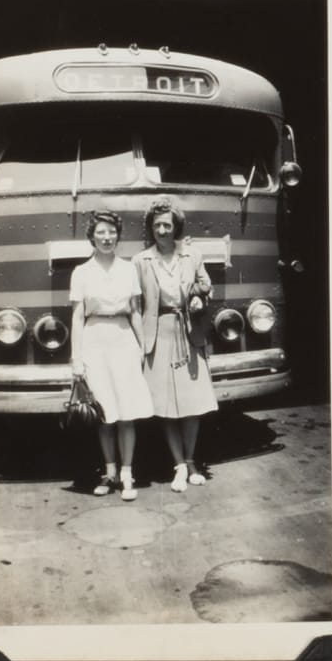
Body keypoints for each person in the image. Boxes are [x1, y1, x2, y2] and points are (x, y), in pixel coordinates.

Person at [68, 210, 153, 500]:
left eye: (112, 232)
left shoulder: (128, 269)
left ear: (118, 236)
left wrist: (142, 347)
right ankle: (109, 472)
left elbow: (135, 311)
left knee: (127, 413)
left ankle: (127, 474)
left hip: (123, 340)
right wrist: (76, 359)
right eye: (101, 233)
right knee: (104, 414)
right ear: (92, 237)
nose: (107, 238)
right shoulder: (81, 272)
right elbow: (77, 316)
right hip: (94, 341)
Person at [135, 200, 219, 493]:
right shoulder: (141, 260)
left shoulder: (192, 255)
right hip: (158, 334)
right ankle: (179, 465)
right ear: (151, 228)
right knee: (166, 406)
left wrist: (198, 298)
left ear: (176, 227)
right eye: (157, 225)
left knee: (191, 403)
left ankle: (192, 461)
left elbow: (207, 285)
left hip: (188, 333)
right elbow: (137, 303)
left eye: (167, 225)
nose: (162, 230)